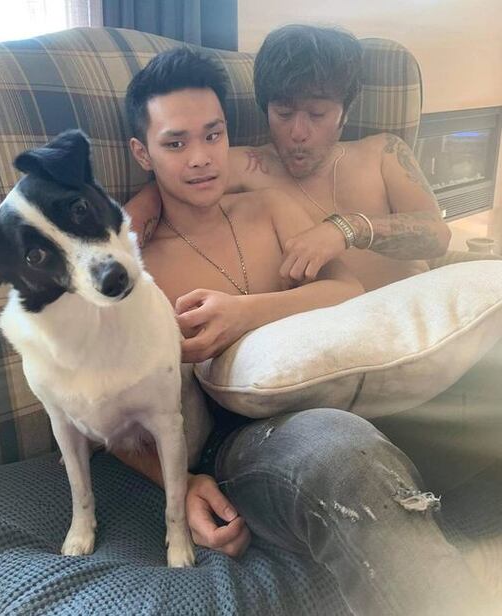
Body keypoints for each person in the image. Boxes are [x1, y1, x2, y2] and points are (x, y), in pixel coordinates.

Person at [111, 46, 498, 615]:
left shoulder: (266, 207)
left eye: (213, 136)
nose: (200, 158)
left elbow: (346, 290)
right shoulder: (138, 266)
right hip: (246, 441)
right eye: (175, 144)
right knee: (339, 449)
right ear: (142, 153)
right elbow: (103, 411)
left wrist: (245, 313)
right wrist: (183, 483)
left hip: (348, 392)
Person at [125, 24, 452, 293]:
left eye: (317, 114)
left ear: (345, 112)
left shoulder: (383, 153)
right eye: (283, 113)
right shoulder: (243, 165)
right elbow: (169, 186)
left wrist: (348, 229)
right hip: (327, 331)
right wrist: (120, 242)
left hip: (418, 315)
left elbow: (438, 236)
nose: (298, 132)